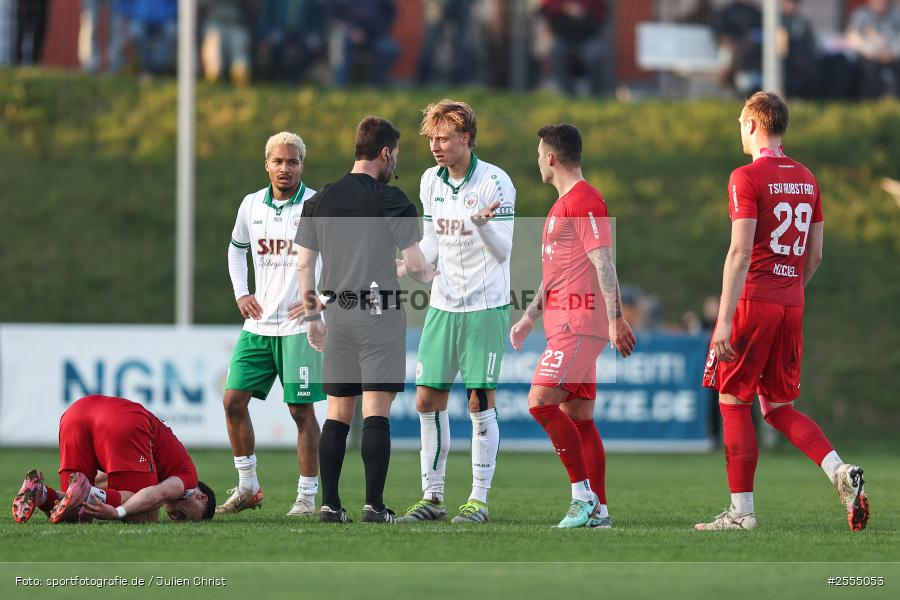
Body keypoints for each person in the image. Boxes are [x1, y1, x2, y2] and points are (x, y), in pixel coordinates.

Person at [697, 92, 870, 532]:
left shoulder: (746, 176)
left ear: (755, 124)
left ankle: (742, 513)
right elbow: (815, 256)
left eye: (740, 121)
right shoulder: (808, 179)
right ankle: (838, 471)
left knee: (733, 401)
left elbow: (739, 252)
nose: (739, 128)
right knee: (776, 406)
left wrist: (723, 319)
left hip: (754, 300)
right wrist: (788, 290)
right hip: (791, 302)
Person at [291, 117, 437, 523]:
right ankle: (374, 505)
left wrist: (312, 316)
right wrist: (429, 273)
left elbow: (304, 265)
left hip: (335, 312)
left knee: (337, 412)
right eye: (397, 156)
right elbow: (415, 263)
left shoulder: (319, 200)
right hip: (379, 311)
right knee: (376, 410)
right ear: (385, 153)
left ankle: (330, 505)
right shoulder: (390, 199)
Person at [395, 100, 515, 524]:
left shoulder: (495, 182)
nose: (435, 146)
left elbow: (504, 252)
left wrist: (482, 224)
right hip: (443, 305)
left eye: (444, 138)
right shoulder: (430, 180)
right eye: (431, 138)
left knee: (480, 401)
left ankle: (478, 500)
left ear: (466, 138)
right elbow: (432, 240)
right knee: (427, 399)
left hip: (484, 306)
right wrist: (408, 263)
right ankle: (433, 498)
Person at [509, 124, 635, 528]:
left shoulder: (584, 199)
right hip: (565, 323)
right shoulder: (561, 205)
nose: (537, 162)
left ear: (550, 157)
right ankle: (601, 510)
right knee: (578, 417)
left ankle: (584, 499)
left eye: (538, 154)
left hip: (580, 325)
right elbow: (558, 273)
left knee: (539, 402)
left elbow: (604, 261)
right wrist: (530, 317)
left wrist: (615, 318)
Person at [218, 131, 325, 517]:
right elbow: (236, 248)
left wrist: (320, 299)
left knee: (301, 412)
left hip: (298, 327)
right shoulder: (251, 205)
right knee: (232, 401)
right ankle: (248, 486)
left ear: (301, 165)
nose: (285, 168)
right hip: (259, 326)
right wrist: (240, 293)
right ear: (267, 164)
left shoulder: (315, 204)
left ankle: (307, 497)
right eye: (278, 161)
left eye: (292, 161)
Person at [12, 395, 215, 524]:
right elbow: (157, 493)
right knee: (144, 514)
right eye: (189, 518)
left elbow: (102, 481)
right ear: (201, 497)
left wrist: (91, 493)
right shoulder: (187, 476)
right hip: (125, 420)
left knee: (74, 513)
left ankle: (39, 491)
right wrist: (117, 512)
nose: (180, 521)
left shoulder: (164, 464)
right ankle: (85, 492)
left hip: (76, 412)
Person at [539, 0, 608, 96]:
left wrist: (583, 10)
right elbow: (544, 9)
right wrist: (564, 7)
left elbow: (602, 12)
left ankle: (596, 93)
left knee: (595, 53)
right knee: (556, 51)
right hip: (562, 36)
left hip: (588, 36)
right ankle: (566, 93)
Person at [846, 0, 900, 98]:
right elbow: (853, 37)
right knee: (869, 71)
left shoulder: (896, 15)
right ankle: (874, 100)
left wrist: (893, 53)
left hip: (893, 56)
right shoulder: (861, 15)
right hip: (869, 57)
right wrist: (873, 53)